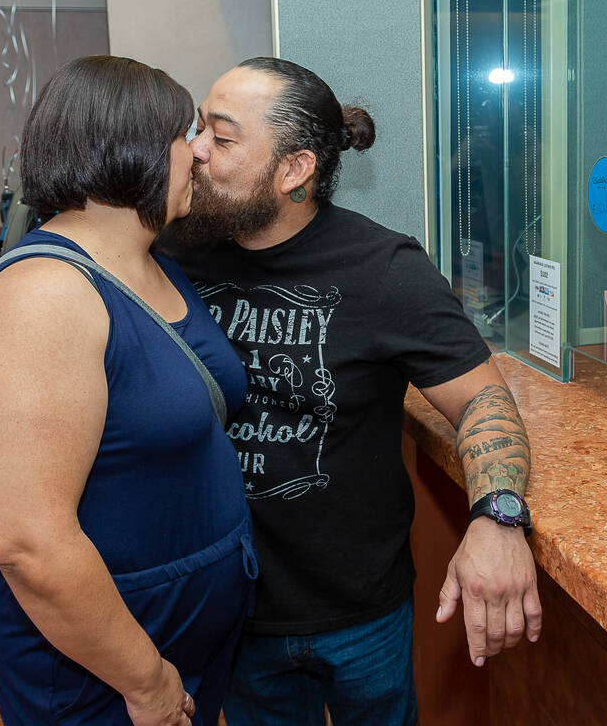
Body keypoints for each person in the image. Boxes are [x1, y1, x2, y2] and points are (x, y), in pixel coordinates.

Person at [167, 57, 541, 725]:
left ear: (294, 169)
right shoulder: (173, 256)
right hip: (234, 606)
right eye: (200, 129)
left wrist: (498, 519)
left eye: (221, 138)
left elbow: (484, 402)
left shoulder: (384, 270)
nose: (195, 150)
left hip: (361, 610)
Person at [0, 56, 255, 726]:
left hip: (182, 636)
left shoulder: (157, 265)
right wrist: (144, 681)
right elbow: (26, 542)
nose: (201, 155)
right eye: (188, 135)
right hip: (103, 664)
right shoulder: (43, 295)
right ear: (133, 152)